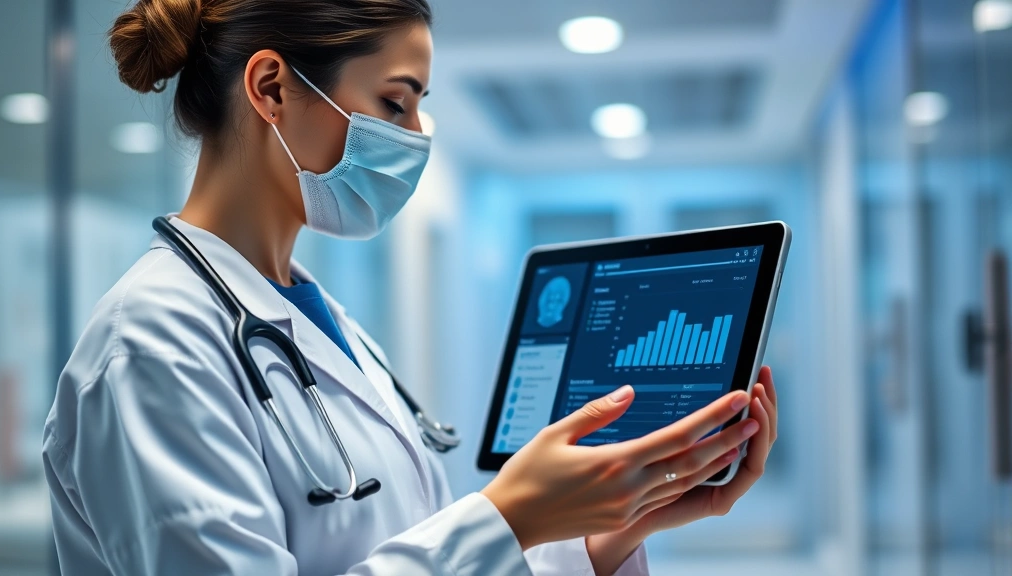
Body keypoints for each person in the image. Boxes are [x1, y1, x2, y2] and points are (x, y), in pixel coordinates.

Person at [41, 1, 780, 574]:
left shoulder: (321, 323)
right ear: (271, 87)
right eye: (397, 103)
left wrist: (619, 526)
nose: (417, 135)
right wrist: (509, 514)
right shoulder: (152, 348)